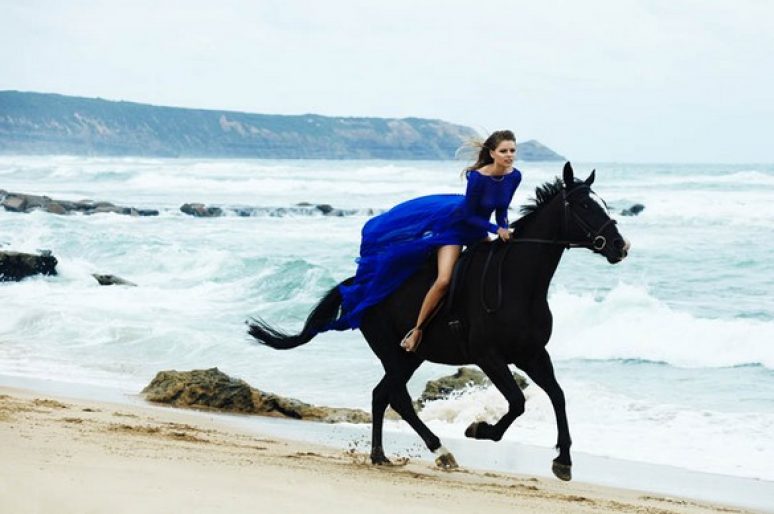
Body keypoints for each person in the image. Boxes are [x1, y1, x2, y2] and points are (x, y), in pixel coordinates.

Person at [326, 130, 522, 352]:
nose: (509, 155)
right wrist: (495, 229)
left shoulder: (514, 176)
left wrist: (503, 227)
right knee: (444, 280)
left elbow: (501, 208)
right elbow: (468, 215)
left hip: (479, 231)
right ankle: (416, 330)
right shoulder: (477, 177)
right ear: (492, 153)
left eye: (512, 150)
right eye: (504, 151)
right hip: (455, 229)